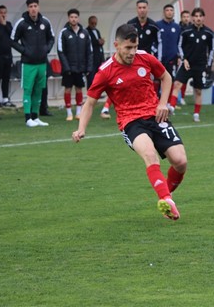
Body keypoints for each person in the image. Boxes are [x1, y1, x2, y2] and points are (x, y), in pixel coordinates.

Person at [72, 24, 186, 221]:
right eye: (128, 48)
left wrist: (163, 103)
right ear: (116, 45)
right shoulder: (106, 71)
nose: (132, 52)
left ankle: (166, 193)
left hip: (156, 116)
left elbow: (166, 77)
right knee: (150, 155)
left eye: (135, 47)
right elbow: (90, 103)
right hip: (131, 121)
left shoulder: (145, 58)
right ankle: (166, 200)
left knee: (180, 162)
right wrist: (81, 128)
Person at [11, 0, 55, 127]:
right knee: (28, 90)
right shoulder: (22, 23)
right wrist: (25, 51)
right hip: (28, 63)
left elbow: (51, 38)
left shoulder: (45, 22)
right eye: (30, 7)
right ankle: (27, 118)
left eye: (35, 6)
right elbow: (12, 40)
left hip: (42, 63)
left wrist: (46, 49)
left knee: (39, 90)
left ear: (38, 7)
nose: (33, 9)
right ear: (27, 8)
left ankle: (36, 117)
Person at [168, 7, 214, 122]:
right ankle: (172, 108)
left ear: (203, 18)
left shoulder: (208, 33)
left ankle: (196, 114)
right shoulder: (186, 31)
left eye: (200, 16)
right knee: (177, 84)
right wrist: (184, 59)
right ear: (192, 18)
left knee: (198, 91)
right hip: (186, 64)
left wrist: (208, 65)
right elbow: (179, 46)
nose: (198, 18)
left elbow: (212, 49)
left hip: (200, 66)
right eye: (196, 16)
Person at [57, 8, 93, 121]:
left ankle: (78, 112)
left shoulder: (85, 33)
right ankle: (68, 112)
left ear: (78, 18)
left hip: (80, 67)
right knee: (67, 89)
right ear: (68, 18)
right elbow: (60, 51)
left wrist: (89, 67)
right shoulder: (64, 32)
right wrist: (66, 66)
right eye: (71, 17)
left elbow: (90, 51)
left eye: (75, 17)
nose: (73, 19)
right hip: (68, 68)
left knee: (79, 89)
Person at [0, 5, 16, 108]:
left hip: (8, 55)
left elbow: (12, 35)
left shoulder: (9, 24)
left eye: (4, 12)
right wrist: (1, 25)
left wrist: (5, 25)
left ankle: (5, 98)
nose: (3, 14)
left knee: (6, 77)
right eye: (1, 12)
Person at [156, 4, 182, 83]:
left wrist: (179, 56)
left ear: (174, 13)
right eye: (167, 10)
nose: (169, 12)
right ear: (164, 12)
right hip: (159, 60)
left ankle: (169, 96)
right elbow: (154, 41)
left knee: (171, 81)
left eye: (171, 10)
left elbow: (179, 43)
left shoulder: (177, 27)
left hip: (172, 60)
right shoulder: (157, 25)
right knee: (158, 81)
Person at [85, 15, 106, 89]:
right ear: (89, 23)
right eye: (92, 23)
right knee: (91, 76)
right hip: (91, 57)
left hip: (99, 56)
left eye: (95, 23)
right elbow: (89, 43)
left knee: (97, 76)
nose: (94, 25)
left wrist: (101, 42)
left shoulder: (97, 31)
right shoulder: (86, 31)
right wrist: (98, 42)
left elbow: (99, 42)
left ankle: (97, 92)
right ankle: (90, 92)